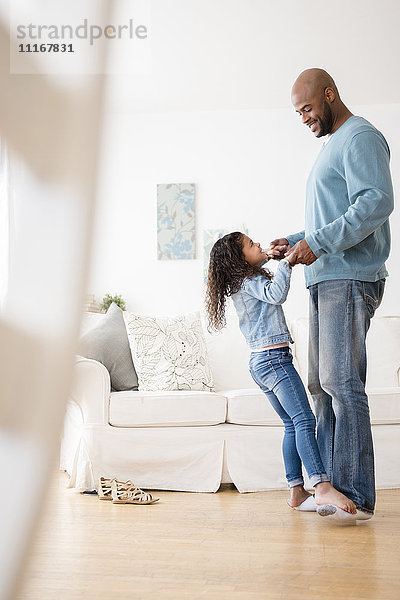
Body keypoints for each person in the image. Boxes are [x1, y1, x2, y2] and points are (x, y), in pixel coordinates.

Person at [269, 68, 394, 521]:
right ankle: (327, 487)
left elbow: (375, 202)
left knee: (342, 384)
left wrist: (316, 244)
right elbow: (335, 217)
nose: (303, 118)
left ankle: (356, 495)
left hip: (349, 276)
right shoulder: (332, 146)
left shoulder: (360, 136)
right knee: (321, 386)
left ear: (330, 94)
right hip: (324, 276)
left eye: (307, 108)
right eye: (297, 112)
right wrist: (296, 239)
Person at [206, 231, 357, 516]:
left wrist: (278, 259)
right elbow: (276, 295)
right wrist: (287, 265)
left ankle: (297, 492)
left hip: (261, 362)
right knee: (304, 419)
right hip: (273, 359)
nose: (259, 244)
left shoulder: (243, 281)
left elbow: (268, 290)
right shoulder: (248, 281)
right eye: (252, 245)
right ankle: (322, 486)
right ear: (239, 259)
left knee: (291, 424)